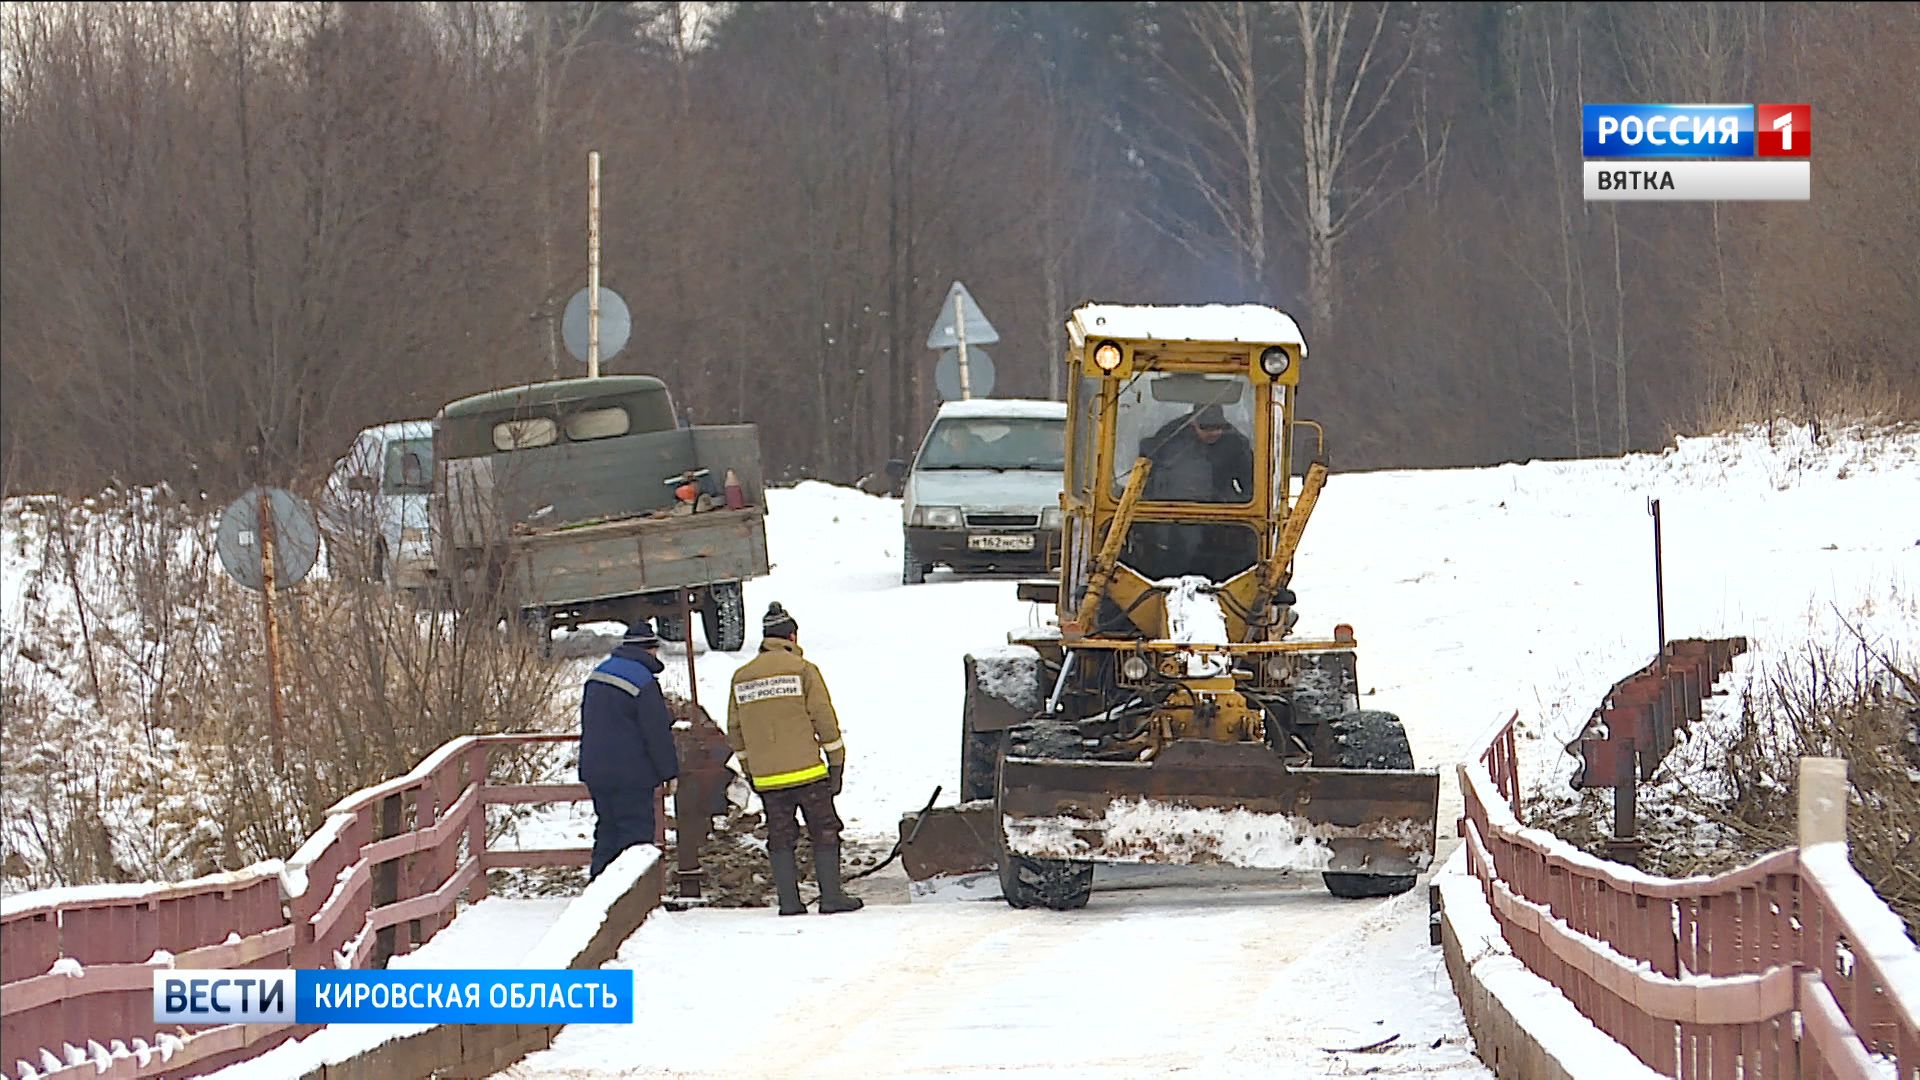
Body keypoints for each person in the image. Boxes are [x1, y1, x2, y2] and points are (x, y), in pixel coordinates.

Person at [726, 602, 861, 916]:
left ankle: (789, 902)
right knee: (824, 829)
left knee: (780, 836)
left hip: (768, 779)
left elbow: (735, 730)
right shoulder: (803, 670)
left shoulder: (741, 677)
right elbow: (824, 720)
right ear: (792, 636)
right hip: (808, 773)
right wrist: (836, 763)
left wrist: (750, 770)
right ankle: (831, 898)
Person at [578, 620, 680, 880]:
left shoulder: (598, 674)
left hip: (596, 770)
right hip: (631, 774)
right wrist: (669, 772)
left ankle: (598, 894)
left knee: (608, 831)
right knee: (636, 837)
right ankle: (632, 900)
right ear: (650, 649)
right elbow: (655, 733)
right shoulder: (643, 681)